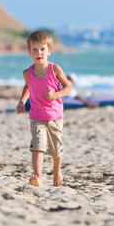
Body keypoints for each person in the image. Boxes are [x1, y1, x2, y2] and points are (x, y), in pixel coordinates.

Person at [16, 30, 71, 187]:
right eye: (34, 49)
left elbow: (68, 87)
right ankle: (38, 176)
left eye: (42, 49)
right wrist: (22, 102)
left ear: (50, 51)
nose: (38, 53)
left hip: (54, 116)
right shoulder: (28, 73)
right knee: (37, 146)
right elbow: (27, 86)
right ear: (29, 52)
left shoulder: (55, 70)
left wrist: (56, 95)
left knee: (55, 148)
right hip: (36, 116)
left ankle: (57, 170)